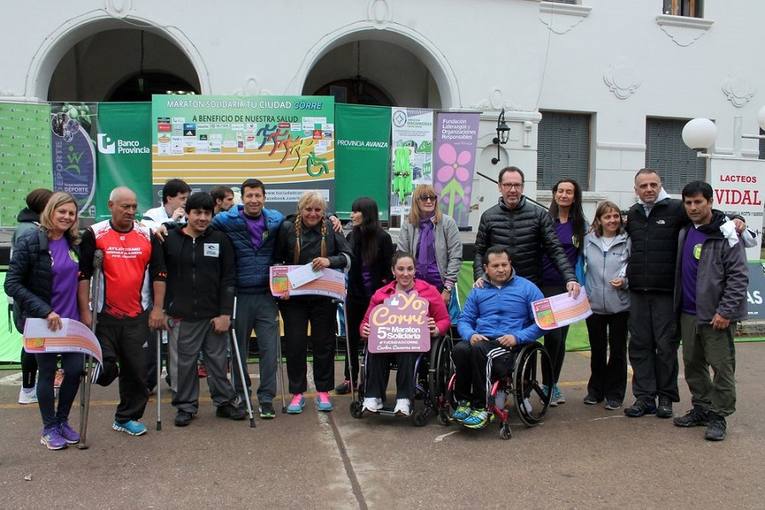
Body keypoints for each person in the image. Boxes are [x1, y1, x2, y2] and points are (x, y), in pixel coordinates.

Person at [624, 169, 752, 419]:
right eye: (643, 185)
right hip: (651, 296)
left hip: (680, 300)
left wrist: (736, 219)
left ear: (660, 185)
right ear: (636, 189)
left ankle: (678, 403)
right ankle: (651, 398)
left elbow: (714, 220)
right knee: (653, 352)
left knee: (675, 352)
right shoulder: (636, 215)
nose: (649, 189)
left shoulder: (680, 211)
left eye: (653, 184)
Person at [77, 187, 167, 437]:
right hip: (104, 315)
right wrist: (85, 311)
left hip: (138, 315)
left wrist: (157, 309)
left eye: (133, 207)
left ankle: (126, 417)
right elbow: (83, 275)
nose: (130, 211)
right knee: (105, 368)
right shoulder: (94, 234)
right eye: (124, 206)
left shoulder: (148, 234)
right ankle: (102, 370)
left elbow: (160, 274)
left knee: (138, 372)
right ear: (110, 205)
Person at [156, 192, 245, 426]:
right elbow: (160, 276)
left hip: (214, 315)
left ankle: (224, 403)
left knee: (217, 362)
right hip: (182, 315)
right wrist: (162, 309)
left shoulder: (221, 240)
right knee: (184, 365)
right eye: (197, 213)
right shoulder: (170, 238)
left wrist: (225, 313)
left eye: (207, 213)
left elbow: (228, 279)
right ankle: (186, 406)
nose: (202, 218)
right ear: (187, 214)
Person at [5, 192, 83, 449]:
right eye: (62, 211)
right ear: (50, 211)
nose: (67, 217)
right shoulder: (31, 240)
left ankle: (62, 421)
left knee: (74, 371)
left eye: (71, 213)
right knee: (47, 374)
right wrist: (44, 310)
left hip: (70, 321)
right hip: (42, 322)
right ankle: (49, 427)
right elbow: (12, 284)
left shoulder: (74, 243)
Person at [672, 181, 748, 441]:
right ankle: (702, 408)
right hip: (688, 313)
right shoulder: (685, 230)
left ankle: (719, 416)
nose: (693, 207)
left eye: (698, 202)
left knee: (721, 367)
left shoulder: (726, 233)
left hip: (717, 316)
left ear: (710, 202)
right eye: (689, 203)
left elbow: (738, 277)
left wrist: (726, 311)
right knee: (693, 364)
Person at [211, 178, 284, 419]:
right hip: (238, 296)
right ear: (242, 198)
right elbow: (198, 225)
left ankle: (266, 399)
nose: (254, 200)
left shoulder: (275, 220)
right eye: (249, 196)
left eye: (258, 196)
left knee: (269, 350)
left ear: (264, 197)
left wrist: (333, 220)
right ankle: (241, 394)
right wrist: (165, 226)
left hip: (265, 296)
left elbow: (299, 224)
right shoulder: (225, 220)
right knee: (238, 350)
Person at [274, 191, 352, 414]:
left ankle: (323, 391)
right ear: (301, 209)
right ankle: (297, 394)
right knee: (295, 345)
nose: (313, 214)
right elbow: (277, 260)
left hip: (323, 297)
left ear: (324, 211)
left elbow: (348, 256)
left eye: (318, 210)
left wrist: (330, 260)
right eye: (308, 209)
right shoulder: (288, 228)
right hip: (294, 300)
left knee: (323, 345)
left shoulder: (331, 227)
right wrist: (281, 290)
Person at [452, 246, 544, 429]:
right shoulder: (478, 290)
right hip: (482, 339)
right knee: (460, 349)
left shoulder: (528, 288)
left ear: (510, 264)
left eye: (504, 264)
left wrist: (517, 337)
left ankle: (482, 407)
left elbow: (544, 322)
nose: (501, 269)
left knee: (479, 351)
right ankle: (464, 402)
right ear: (486, 268)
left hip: (510, 345)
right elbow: (464, 320)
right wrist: (470, 335)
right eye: (495, 266)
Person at [359, 251, 450, 416]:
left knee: (407, 347)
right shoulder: (381, 294)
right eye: (401, 269)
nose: (406, 273)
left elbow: (444, 320)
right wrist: (365, 330)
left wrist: (435, 329)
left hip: (416, 344)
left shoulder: (429, 291)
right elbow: (366, 322)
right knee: (375, 347)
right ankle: (373, 396)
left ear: (415, 271)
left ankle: (404, 399)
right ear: (393, 271)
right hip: (386, 342)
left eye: (410, 269)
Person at [473, 166, 579, 297]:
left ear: (522, 187)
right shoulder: (488, 217)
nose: (513, 190)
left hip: (531, 286)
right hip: (498, 287)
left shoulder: (539, 214)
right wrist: (479, 276)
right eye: (507, 185)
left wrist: (570, 278)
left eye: (517, 185)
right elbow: (479, 252)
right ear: (500, 187)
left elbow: (555, 249)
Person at [335, 197, 394, 396]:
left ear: (366, 213)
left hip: (376, 300)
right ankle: (349, 378)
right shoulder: (352, 235)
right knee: (351, 338)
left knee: (373, 340)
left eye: (356, 211)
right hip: (354, 297)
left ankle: (370, 379)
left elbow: (388, 270)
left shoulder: (383, 238)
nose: (352, 215)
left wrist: (383, 295)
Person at [540, 178, 586, 406]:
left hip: (568, 289)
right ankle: (543, 383)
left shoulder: (580, 225)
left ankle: (552, 384)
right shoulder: (545, 221)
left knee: (560, 340)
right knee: (551, 336)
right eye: (561, 191)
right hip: (543, 287)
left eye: (569, 192)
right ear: (555, 194)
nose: (564, 195)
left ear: (575, 196)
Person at [582, 201, 630, 410]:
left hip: (620, 305)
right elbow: (579, 267)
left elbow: (633, 267)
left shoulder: (628, 240)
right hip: (594, 305)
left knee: (618, 351)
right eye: (607, 217)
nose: (612, 220)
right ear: (599, 220)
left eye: (615, 216)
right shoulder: (587, 240)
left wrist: (625, 282)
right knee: (598, 350)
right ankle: (596, 390)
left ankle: (615, 394)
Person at [10, 188, 53, 405]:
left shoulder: (28, 227)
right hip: (31, 300)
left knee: (32, 342)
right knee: (31, 343)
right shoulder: (30, 231)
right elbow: (18, 274)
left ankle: (29, 388)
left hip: (31, 299)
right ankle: (27, 389)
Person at [396, 184, 462, 306]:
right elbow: (401, 254)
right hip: (413, 285)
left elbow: (455, 256)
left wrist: (447, 288)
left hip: (440, 285)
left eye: (432, 197)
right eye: (424, 197)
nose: (429, 201)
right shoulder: (408, 224)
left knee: (439, 323)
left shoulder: (448, 223)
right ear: (416, 201)